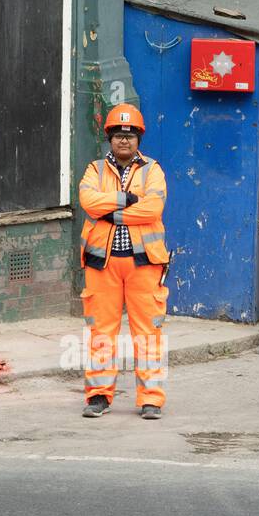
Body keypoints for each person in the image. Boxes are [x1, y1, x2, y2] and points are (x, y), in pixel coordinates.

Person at [77, 103, 170, 419]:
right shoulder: (94, 170)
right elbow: (89, 203)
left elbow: (152, 209)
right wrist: (127, 200)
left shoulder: (153, 170)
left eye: (130, 135)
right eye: (118, 135)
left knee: (148, 332)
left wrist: (112, 213)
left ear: (139, 138)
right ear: (110, 138)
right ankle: (99, 396)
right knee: (101, 332)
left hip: (143, 264)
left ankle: (151, 399)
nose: (124, 141)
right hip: (102, 264)